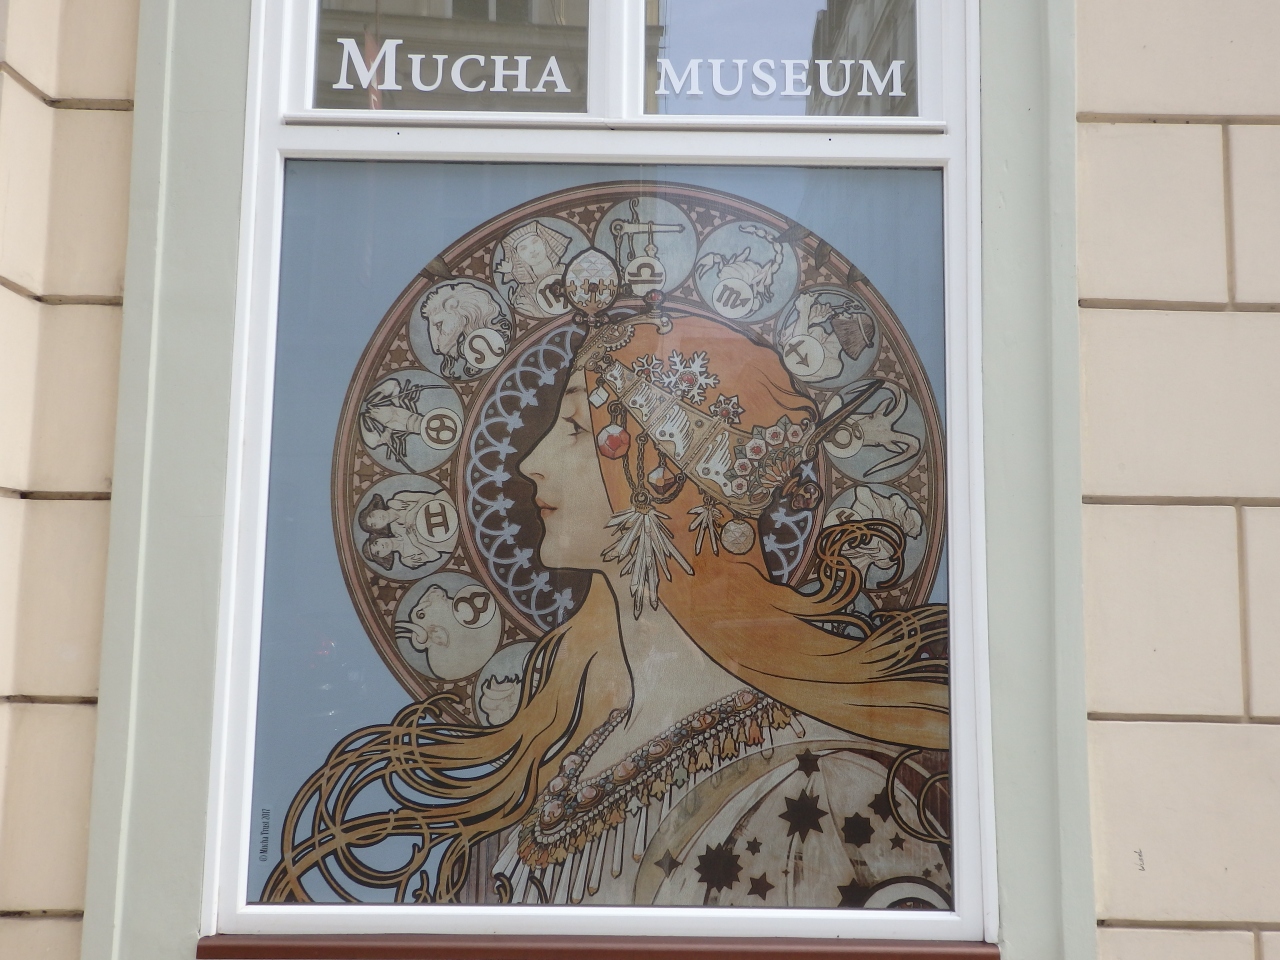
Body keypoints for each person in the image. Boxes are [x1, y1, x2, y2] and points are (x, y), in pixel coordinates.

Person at [265, 311, 950, 909]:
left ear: (661, 475)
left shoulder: (827, 787)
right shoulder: (580, 750)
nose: (530, 462)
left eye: (573, 426)